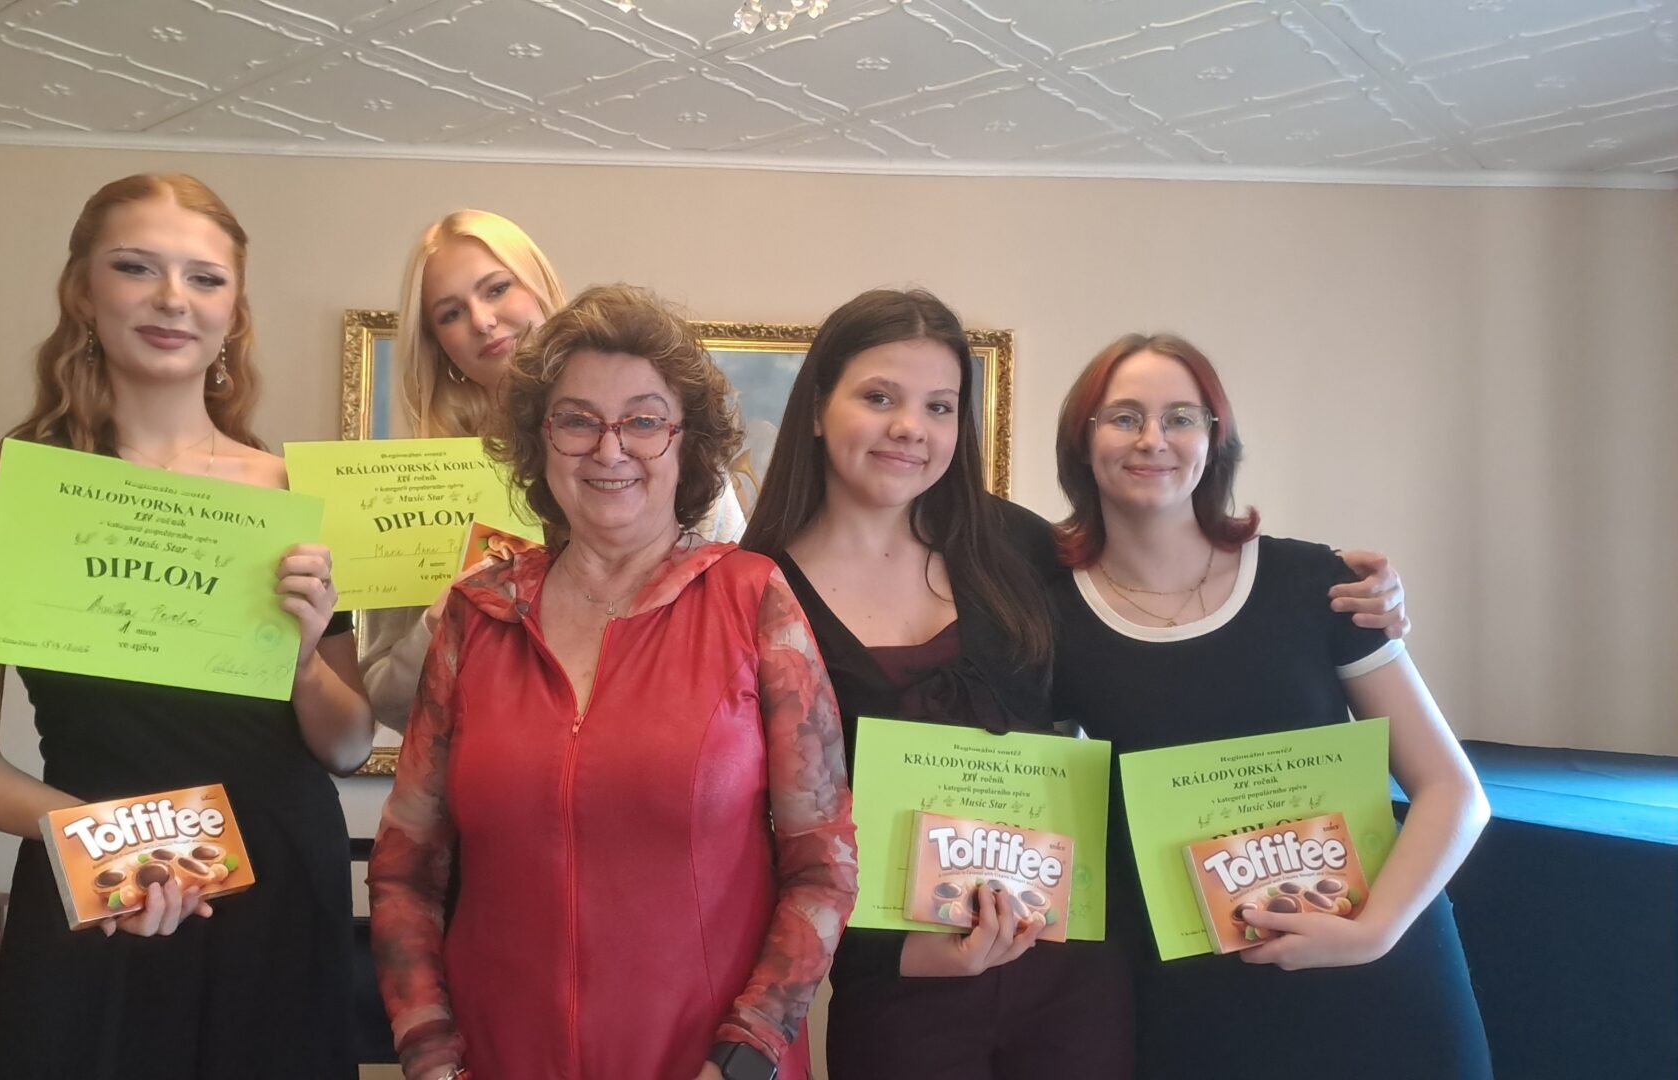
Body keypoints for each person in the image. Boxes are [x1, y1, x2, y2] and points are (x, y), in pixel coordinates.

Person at [739, 291, 1417, 1078]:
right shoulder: (753, 591)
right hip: (903, 987)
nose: (910, 428)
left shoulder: (1016, 548)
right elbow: (751, 828)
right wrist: (893, 955)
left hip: (1077, 971)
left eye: (939, 406)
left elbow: (1163, 607)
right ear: (817, 408)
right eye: (879, 398)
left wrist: (1344, 589)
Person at [0, 173, 374, 1078]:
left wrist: (298, 662)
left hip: (282, 899)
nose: (174, 298)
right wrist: (121, 851)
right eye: (137, 267)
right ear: (82, 293)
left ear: (234, 312)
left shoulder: (298, 498)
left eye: (205, 278)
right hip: (93, 882)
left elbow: (350, 744)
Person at [367, 285, 856, 1080]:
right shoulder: (475, 617)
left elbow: (822, 864)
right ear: (539, 440)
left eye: (643, 420)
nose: (609, 448)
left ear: (686, 441)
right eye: (576, 420)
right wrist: (428, 1052)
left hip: (706, 1064)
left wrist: (745, 1055)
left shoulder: (754, 601)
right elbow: (403, 869)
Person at [1045, 332, 1493, 1079]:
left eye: (1181, 417)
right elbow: (1056, 811)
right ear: (1081, 442)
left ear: (1214, 440)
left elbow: (1453, 791)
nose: (1153, 439)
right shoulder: (1049, 615)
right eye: (1123, 417)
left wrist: (1373, 932)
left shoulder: (1317, 583)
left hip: (1374, 957)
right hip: (1192, 986)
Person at [359, 211, 746, 732]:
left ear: (539, 285)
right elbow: (388, 702)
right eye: (450, 313)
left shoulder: (664, 453)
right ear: (437, 346)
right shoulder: (419, 488)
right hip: (500, 760)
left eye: (497, 289)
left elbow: (739, 635)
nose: (482, 320)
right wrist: (440, 619)